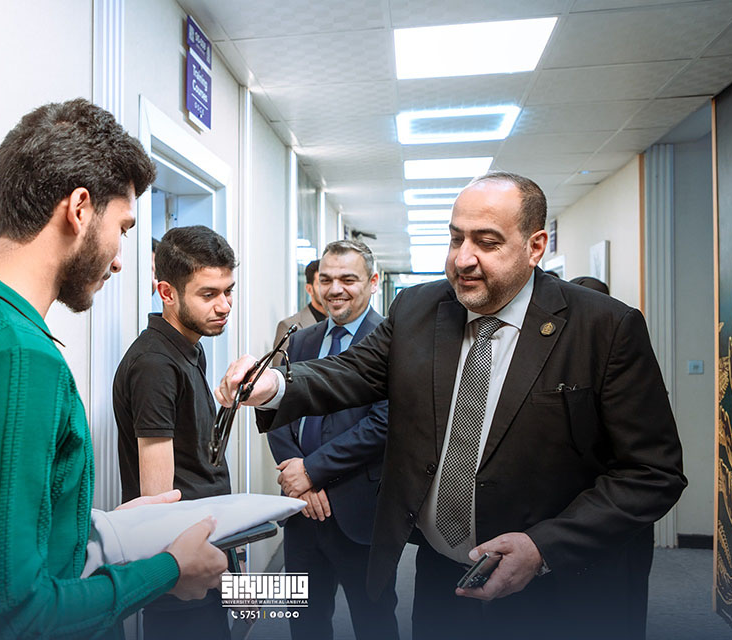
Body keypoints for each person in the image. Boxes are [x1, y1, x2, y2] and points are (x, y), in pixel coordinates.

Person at [217, 172, 686, 640]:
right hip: (443, 575)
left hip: (556, 589)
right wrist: (274, 383)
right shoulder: (419, 309)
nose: (463, 258)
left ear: (535, 246)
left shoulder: (604, 327)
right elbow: (352, 371)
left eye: (487, 242)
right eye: (456, 238)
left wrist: (543, 547)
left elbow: (652, 473)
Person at [0, 99, 226, 640]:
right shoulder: (15, 358)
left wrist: (104, 531)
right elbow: (7, 619)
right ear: (80, 209)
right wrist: (167, 571)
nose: (119, 259)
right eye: (123, 228)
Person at [267, 240, 398, 640]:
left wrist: (311, 471)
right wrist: (300, 481)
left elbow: (384, 423)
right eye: (326, 279)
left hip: (359, 512)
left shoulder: (392, 340)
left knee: (374, 623)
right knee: (305, 621)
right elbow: (277, 411)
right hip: (301, 512)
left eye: (348, 279)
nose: (335, 289)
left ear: (373, 282)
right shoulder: (302, 340)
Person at [113, 225, 237, 640]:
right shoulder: (155, 365)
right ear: (166, 292)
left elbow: (198, 466)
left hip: (207, 548)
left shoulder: (189, 349)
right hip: (181, 570)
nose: (224, 305)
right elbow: (159, 499)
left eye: (228, 291)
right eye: (209, 294)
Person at [274, 258, 326, 348]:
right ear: (309, 289)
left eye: (329, 283)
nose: (327, 289)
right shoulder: (288, 326)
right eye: (321, 284)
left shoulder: (342, 323)